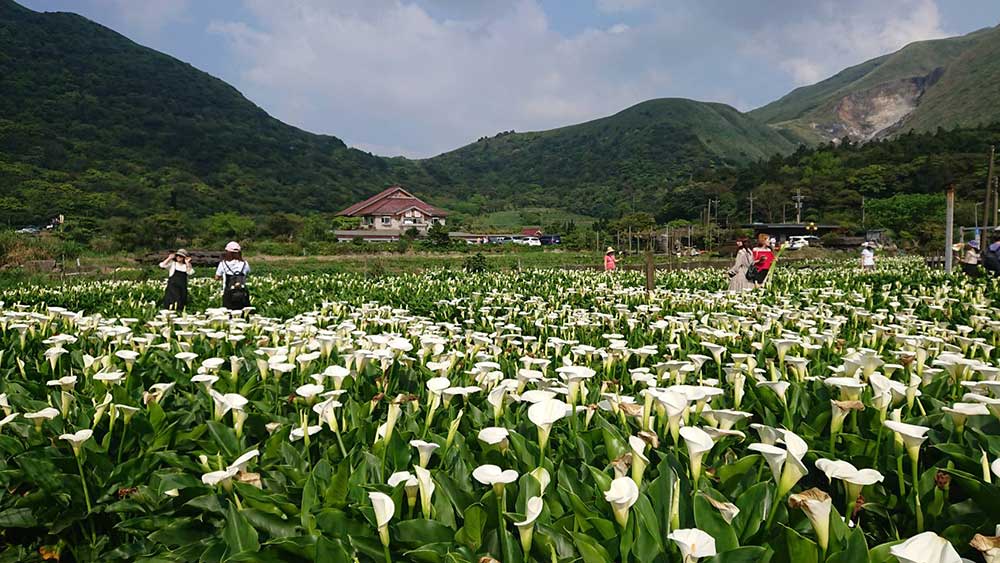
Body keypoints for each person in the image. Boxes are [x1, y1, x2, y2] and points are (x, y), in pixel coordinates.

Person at [215, 241, 251, 310]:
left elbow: (217, 277)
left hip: (228, 293)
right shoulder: (245, 263)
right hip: (242, 292)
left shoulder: (223, 264)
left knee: (229, 313)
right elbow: (248, 273)